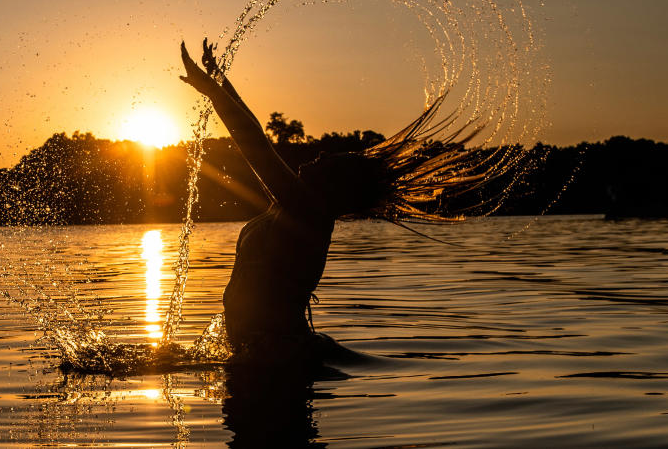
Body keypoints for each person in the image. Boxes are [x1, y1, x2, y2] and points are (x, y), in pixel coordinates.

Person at [180, 39, 488, 365]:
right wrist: (219, 79)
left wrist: (213, 92)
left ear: (335, 185)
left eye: (332, 160)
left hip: (280, 355)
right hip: (262, 355)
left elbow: (254, 145)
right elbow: (256, 130)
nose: (323, 154)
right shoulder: (288, 209)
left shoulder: (308, 212)